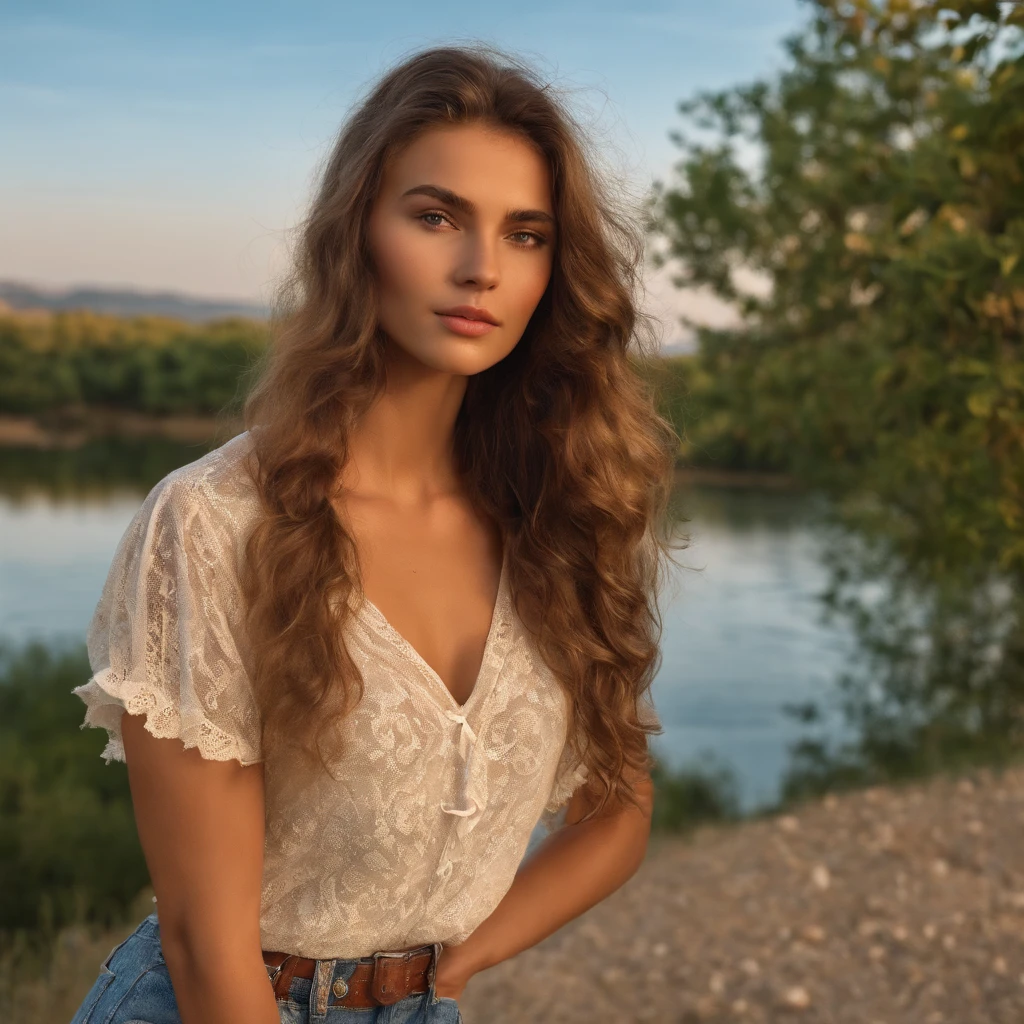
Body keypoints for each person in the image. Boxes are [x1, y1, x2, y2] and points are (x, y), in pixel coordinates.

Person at [68, 42, 678, 1024]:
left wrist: (454, 961)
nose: (481, 268)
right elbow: (203, 940)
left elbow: (618, 811)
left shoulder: (559, 522)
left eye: (526, 234)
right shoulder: (216, 521)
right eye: (436, 217)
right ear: (357, 233)